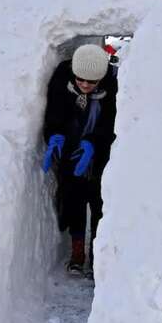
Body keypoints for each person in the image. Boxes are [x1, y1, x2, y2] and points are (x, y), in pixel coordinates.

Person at [42, 44, 117, 275]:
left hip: (99, 156)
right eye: (80, 79)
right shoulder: (61, 81)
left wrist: (94, 143)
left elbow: (111, 122)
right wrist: (54, 135)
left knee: (99, 204)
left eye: (91, 82)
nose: (85, 85)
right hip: (71, 151)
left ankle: (97, 257)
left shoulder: (112, 88)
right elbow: (54, 113)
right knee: (74, 200)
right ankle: (77, 253)